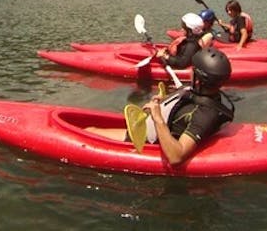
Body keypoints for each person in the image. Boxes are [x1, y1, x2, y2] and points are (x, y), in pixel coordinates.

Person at [86, 47, 235, 165]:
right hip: (152, 129)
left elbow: (176, 157)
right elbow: (184, 107)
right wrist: (164, 101)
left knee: (89, 131)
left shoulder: (204, 115)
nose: (190, 72)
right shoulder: (204, 94)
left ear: (199, 78)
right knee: (91, 129)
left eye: (192, 70)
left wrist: (158, 117)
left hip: (147, 141)